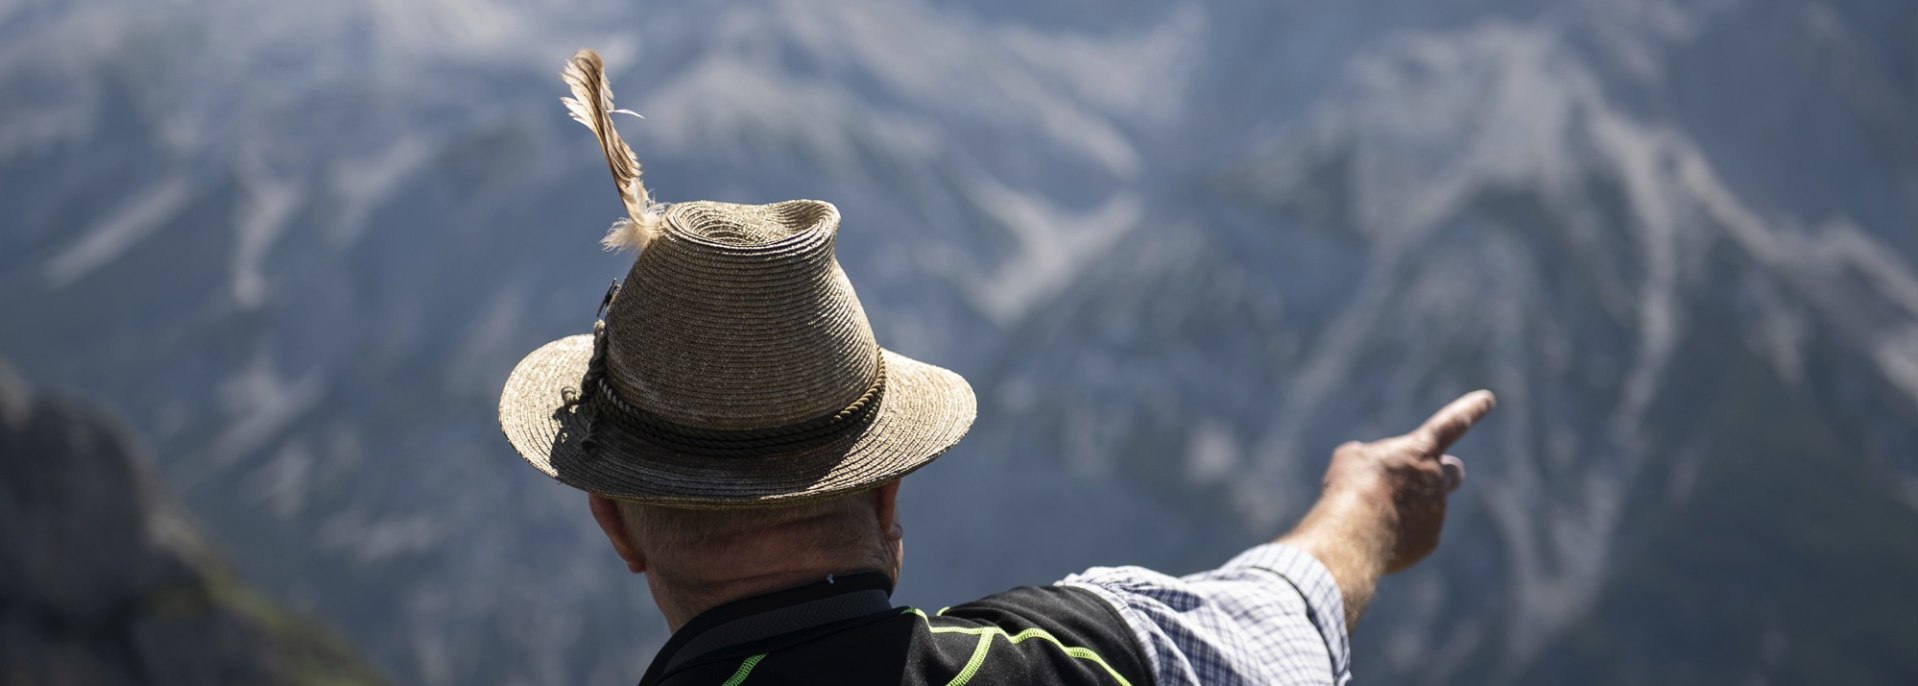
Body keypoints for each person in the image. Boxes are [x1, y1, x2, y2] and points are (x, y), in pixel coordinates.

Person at [497, 50, 1495, 685]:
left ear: (616, 520)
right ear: (888, 491)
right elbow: (1272, 627)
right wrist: (1368, 502)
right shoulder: (1072, 652)